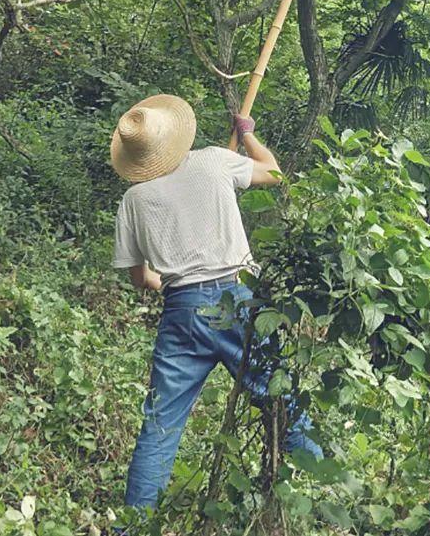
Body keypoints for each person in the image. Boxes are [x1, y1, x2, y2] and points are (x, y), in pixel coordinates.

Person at [109, 93, 322, 516]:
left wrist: (162, 278)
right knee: (279, 399)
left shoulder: (134, 200)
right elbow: (275, 173)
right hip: (234, 299)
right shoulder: (211, 161)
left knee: (160, 425)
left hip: (179, 309)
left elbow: (141, 278)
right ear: (174, 134)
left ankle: (130, 526)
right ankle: (320, 492)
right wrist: (247, 135)